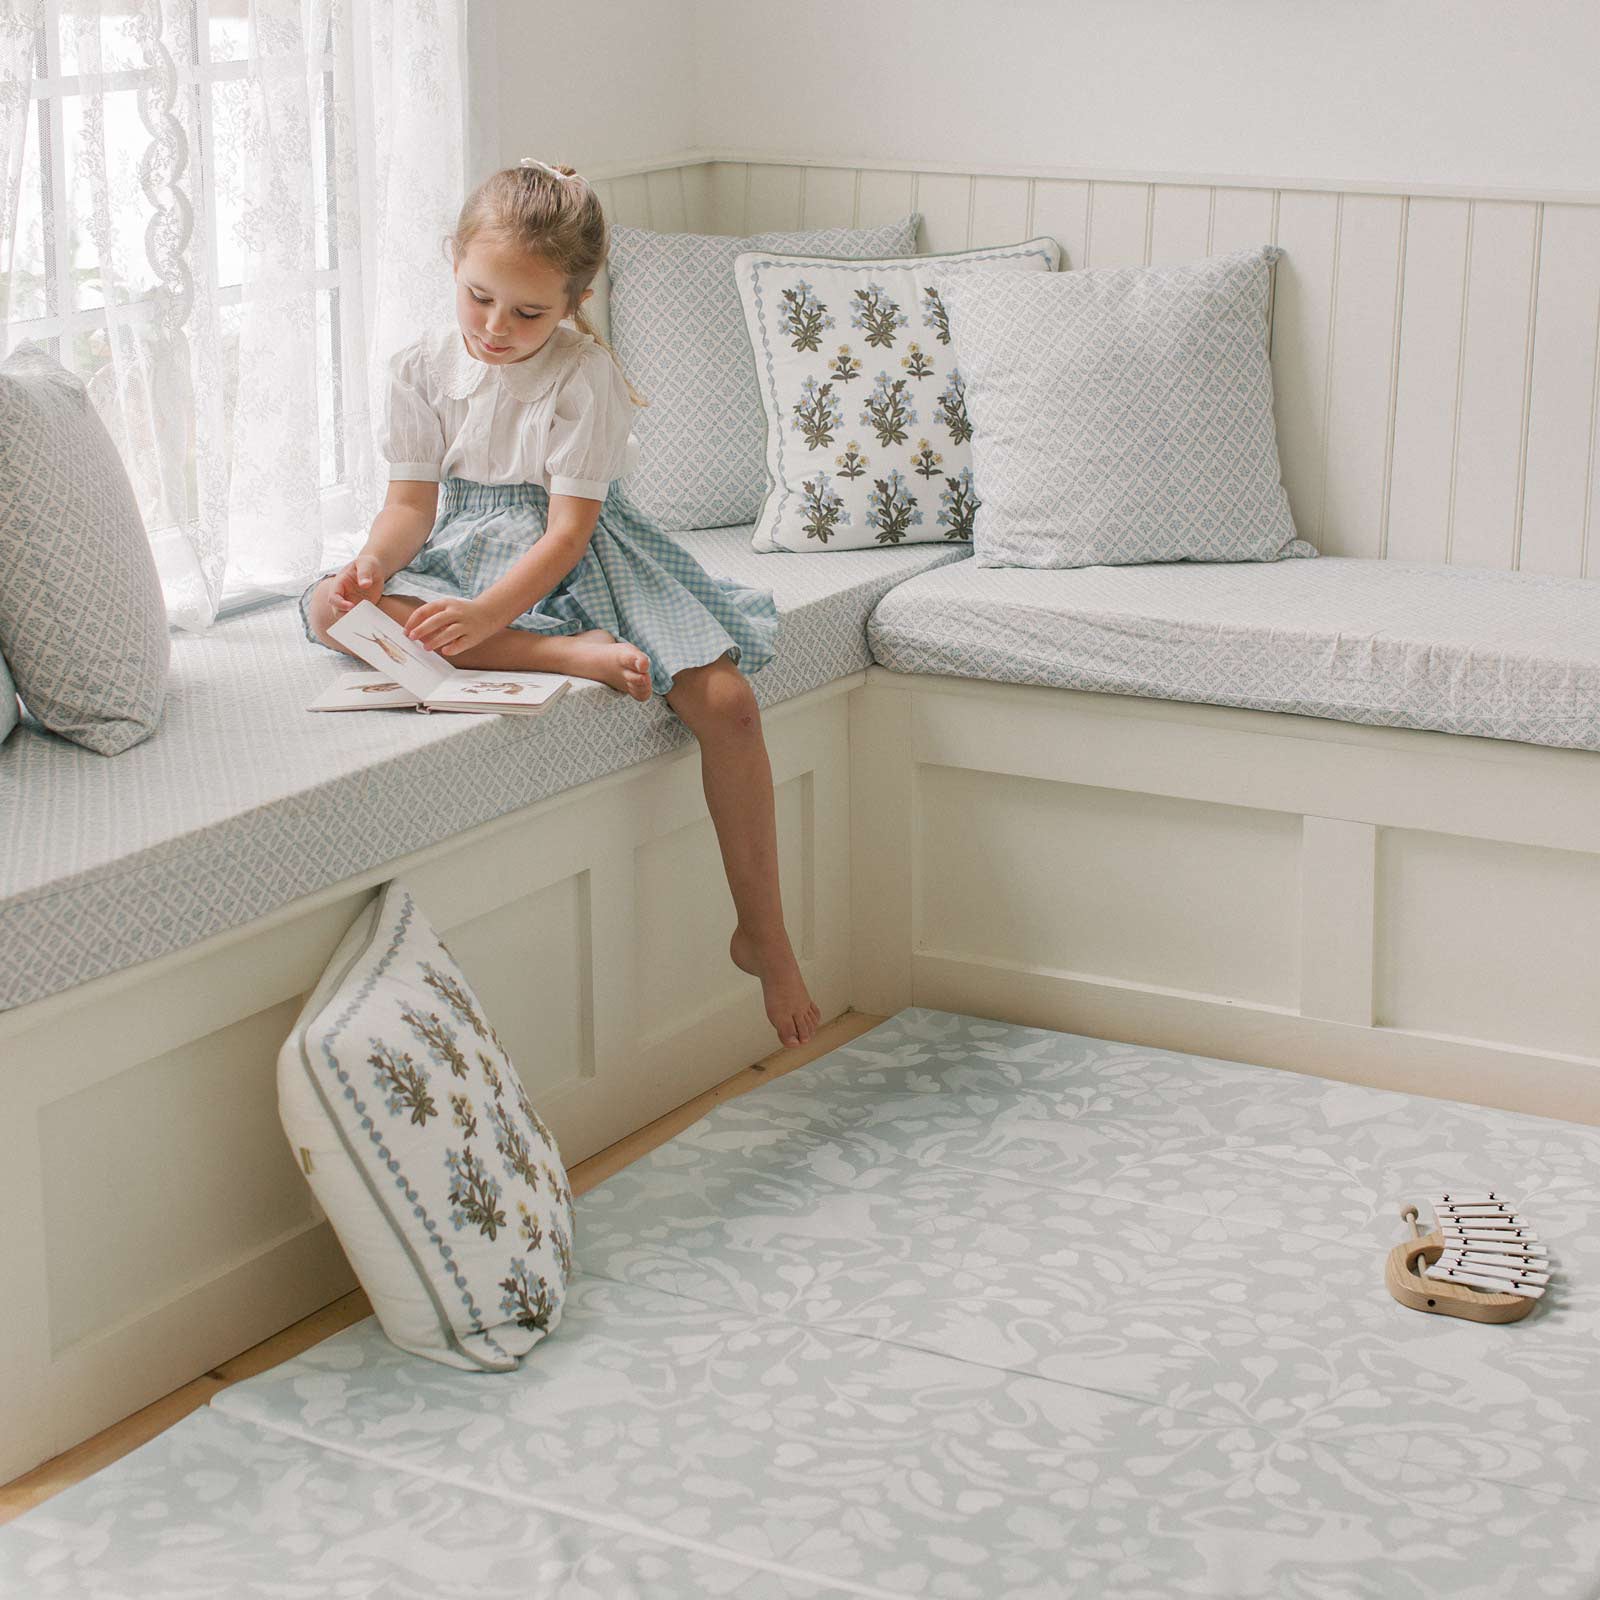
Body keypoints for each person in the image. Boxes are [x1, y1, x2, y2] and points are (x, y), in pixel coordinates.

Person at [301, 157, 820, 1049]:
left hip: (567, 556)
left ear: (575, 302)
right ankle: (562, 654)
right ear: (453, 265)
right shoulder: (421, 368)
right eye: (478, 299)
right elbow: (410, 508)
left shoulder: (586, 378)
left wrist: (488, 617)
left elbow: (567, 534)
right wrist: (373, 568)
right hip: (461, 549)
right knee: (325, 610)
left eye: (528, 312)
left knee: (726, 704)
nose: (496, 328)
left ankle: (763, 934)